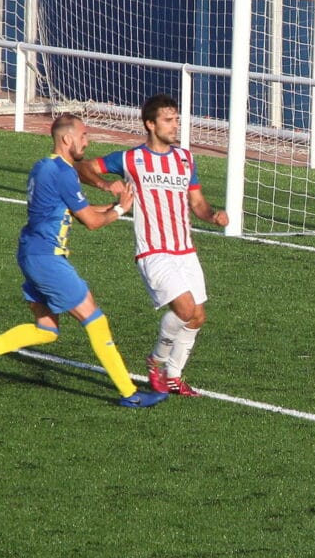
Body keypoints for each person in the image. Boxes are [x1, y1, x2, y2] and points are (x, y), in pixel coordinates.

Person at [0, 114, 167, 408]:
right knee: (95, 319)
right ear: (67, 139)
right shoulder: (63, 173)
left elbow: (74, 212)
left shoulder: (44, 167)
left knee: (46, 329)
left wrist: (120, 205)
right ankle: (129, 394)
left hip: (31, 252)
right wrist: (119, 212)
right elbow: (91, 222)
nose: (86, 141)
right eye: (83, 135)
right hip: (47, 259)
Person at [76, 93, 229, 397]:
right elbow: (84, 168)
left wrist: (213, 216)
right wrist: (107, 185)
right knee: (184, 308)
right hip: (153, 250)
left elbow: (197, 203)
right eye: (169, 120)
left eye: (177, 120)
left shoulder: (185, 159)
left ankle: (174, 374)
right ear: (150, 123)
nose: (176, 126)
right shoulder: (130, 159)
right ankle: (155, 362)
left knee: (198, 316)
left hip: (185, 250)